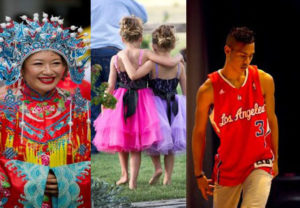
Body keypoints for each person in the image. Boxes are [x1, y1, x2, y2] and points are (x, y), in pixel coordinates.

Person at [0, 13, 90, 207]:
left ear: (66, 67)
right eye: (38, 64)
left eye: (56, 63)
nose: (48, 71)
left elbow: (90, 161)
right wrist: (36, 180)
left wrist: (65, 178)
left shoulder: (78, 108)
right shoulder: (4, 109)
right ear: (21, 69)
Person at [192, 27, 278, 207]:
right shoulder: (208, 90)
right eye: (242, 55)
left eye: (251, 55)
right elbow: (199, 133)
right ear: (227, 50)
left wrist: (275, 158)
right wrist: (198, 173)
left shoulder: (264, 80)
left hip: (260, 161)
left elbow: (272, 120)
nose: (247, 61)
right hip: (228, 167)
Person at [93, 16, 182, 190]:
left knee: (121, 138)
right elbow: (167, 62)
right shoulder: (146, 54)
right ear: (141, 37)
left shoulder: (116, 58)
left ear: (122, 38)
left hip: (120, 98)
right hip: (143, 99)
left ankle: (124, 174)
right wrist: (178, 58)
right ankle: (133, 181)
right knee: (135, 145)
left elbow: (110, 85)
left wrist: (105, 103)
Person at [120, 25, 186, 185]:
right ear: (172, 45)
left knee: (154, 139)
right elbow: (185, 91)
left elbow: (135, 76)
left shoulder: (152, 65)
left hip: (155, 105)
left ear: (154, 46)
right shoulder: (180, 66)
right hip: (174, 106)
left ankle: (157, 167)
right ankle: (167, 178)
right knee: (170, 145)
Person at [90, 0, 148, 153]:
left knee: (94, 99)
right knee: (117, 100)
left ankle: (95, 144)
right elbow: (143, 16)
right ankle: (118, 140)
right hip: (113, 49)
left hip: (91, 49)